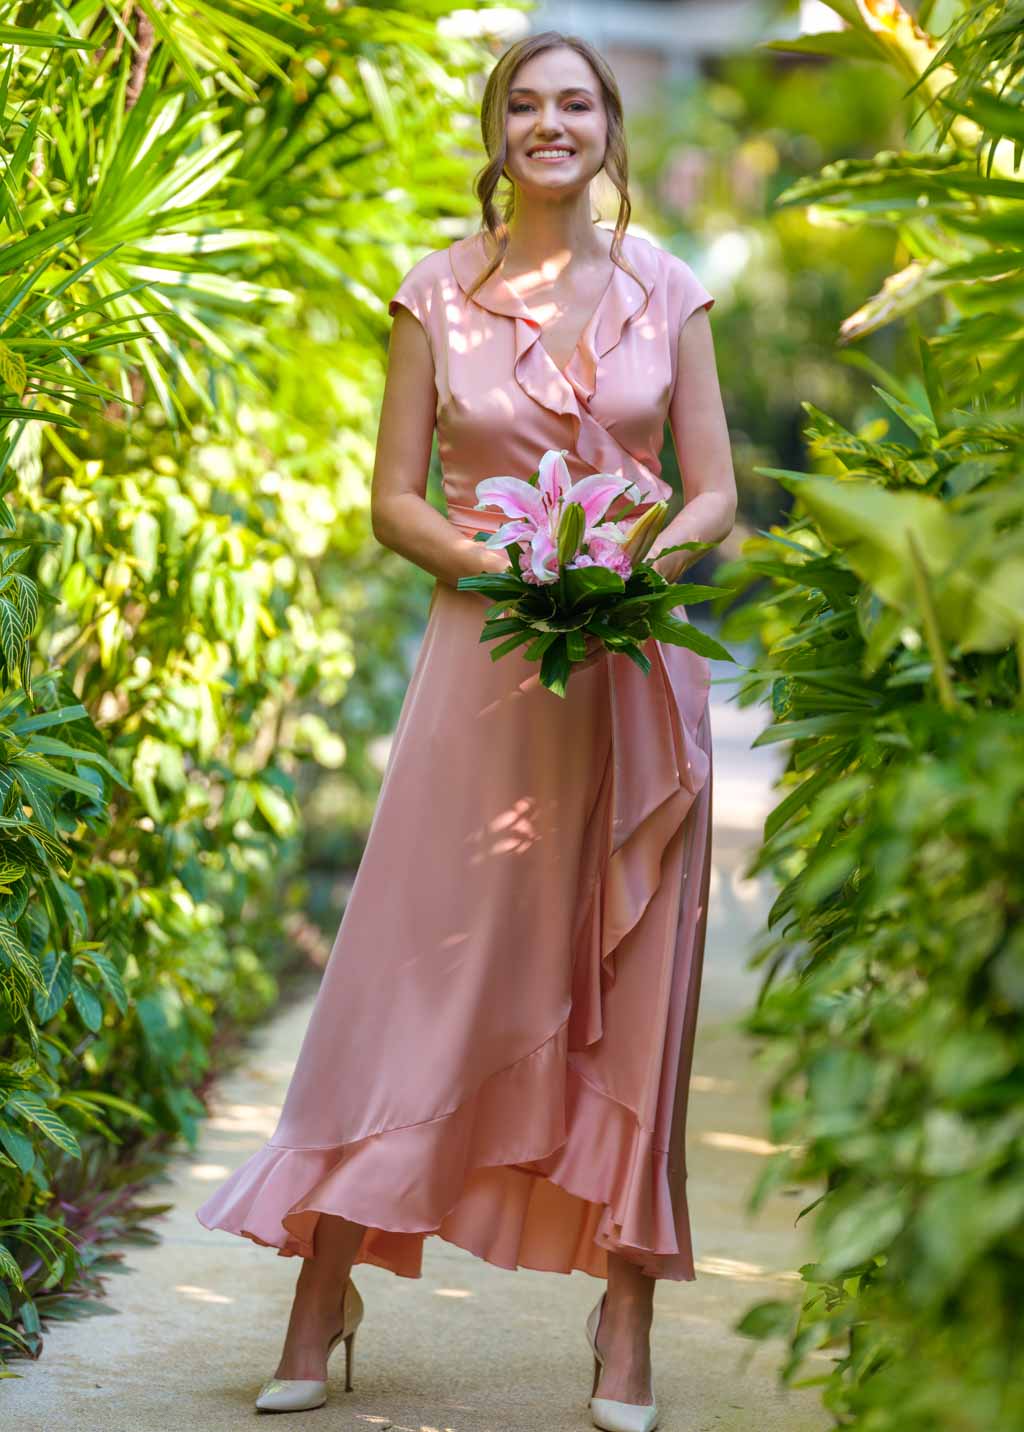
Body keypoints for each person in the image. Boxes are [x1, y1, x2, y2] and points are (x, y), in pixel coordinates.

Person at [196, 28, 736, 1432]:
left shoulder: (672, 288)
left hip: (632, 688)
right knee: (403, 980)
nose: (550, 123)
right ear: (495, 131)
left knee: (631, 1016)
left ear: (610, 128)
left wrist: (627, 575)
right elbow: (395, 501)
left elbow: (713, 491)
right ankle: (323, 1291)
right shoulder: (434, 291)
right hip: (480, 678)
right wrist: (521, 573)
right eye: (525, 102)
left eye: (576, 103)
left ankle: (626, 1327)